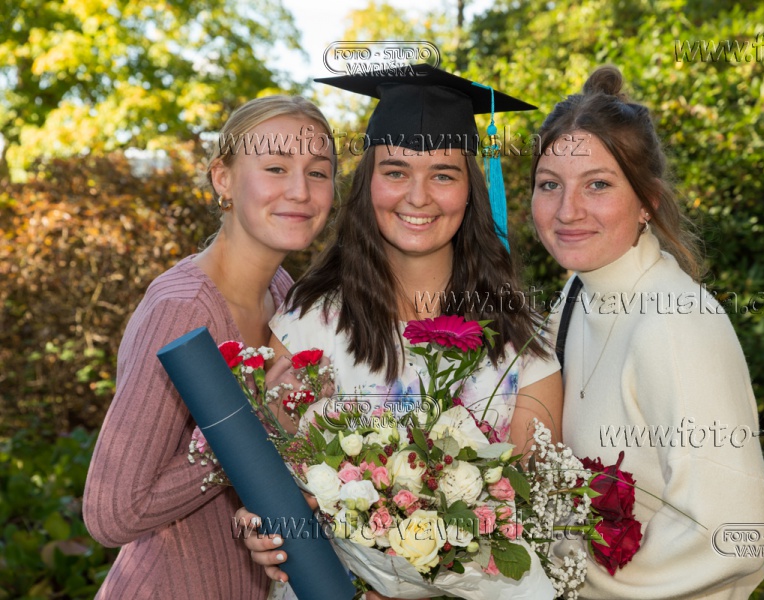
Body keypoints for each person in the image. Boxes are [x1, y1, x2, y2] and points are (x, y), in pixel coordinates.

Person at [239, 65, 564, 593]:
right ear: (367, 184)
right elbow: (275, 486)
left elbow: (531, 519)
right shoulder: (310, 323)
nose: (418, 197)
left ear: (472, 189)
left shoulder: (521, 345)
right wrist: (259, 522)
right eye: (395, 171)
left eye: (443, 174)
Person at [82, 95, 337, 600]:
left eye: (318, 172)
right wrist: (257, 427)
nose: (300, 190)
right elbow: (110, 515)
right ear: (223, 178)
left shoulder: (282, 291)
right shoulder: (183, 311)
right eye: (276, 167)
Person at [533, 65, 764, 598]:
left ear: (647, 202)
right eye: (550, 185)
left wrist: (560, 574)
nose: (567, 210)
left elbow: (731, 536)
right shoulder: (575, 295)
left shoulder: (676, 322)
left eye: (598, 184)